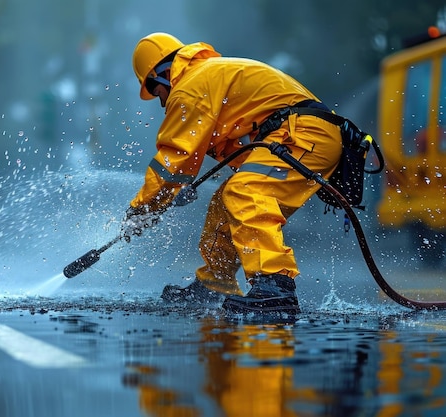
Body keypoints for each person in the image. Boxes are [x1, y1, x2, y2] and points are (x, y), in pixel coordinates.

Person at [122, 32, 344, 314]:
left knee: (245, 191)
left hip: (304, 134)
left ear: (161, 75)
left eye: (154, 92)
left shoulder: (190, 86)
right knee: (224, 200)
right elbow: (227, 148)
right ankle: (216, 282)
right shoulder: (209, 77)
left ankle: (275, 284)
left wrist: (142, 210)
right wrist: (168, 195)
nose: (160, 101)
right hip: (300, 134)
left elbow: (173, 160)